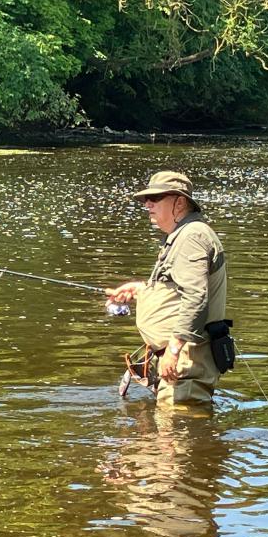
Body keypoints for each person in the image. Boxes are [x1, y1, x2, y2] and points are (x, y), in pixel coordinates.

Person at [106, 171, 228, 406]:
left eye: (156, 198)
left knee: (178, 434)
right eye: (146, 200)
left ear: (180, 202)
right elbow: (178, 289)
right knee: (172, 435)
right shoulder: (184, 234)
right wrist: (142, 290)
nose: (148, 204)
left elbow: (195, 297)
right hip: (182, 362)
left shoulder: (191, 237)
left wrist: (172, 350)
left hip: (185, 362)